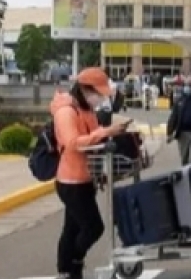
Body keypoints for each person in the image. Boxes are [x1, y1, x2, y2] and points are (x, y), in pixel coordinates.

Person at [52, 68, 129, 279]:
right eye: (97, 93)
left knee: (72, 228)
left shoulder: (86, 110)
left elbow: (94, 140)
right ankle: (74, 262)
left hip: (86, 178)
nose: (100, 98)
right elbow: (73, 143)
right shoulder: (66, 112)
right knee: (93, 227)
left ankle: (66, 271)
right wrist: (106, 132)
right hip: (71, 181)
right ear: (84, 89)